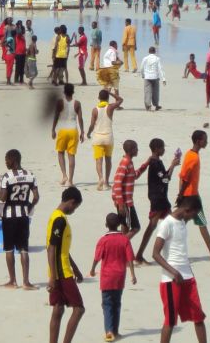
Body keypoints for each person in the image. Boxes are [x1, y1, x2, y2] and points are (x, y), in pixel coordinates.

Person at [152, 195, 208, 343]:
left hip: (188, 277)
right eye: (193, 215)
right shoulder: (166, 224)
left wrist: (188, 271)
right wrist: (174, 272)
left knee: (199, 317)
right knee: (170, 320)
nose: (193, 218)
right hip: (171, 280)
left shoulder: (182, 222)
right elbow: (155, 254)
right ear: (187, 210)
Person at [0, 149, 39, 290]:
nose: (6, 162)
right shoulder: (31, 176)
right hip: (24, 216)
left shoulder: (7, 177)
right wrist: (29, 207)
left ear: (14, 160)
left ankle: (13, 281)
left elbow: (2, 197)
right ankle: (26, 282)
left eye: (7, 160)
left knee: (9, 249)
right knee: (24, 249)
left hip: (9, 216)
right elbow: (36, 197)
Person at [89, 213, 137, 342]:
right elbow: (130, 258)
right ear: (119, 225)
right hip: (120, 276)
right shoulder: (124, 239)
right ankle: (115, 330)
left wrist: (92, 269)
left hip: (106, 277)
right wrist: (133, 274)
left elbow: (97, 257)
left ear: (106, 225)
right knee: (117, 303)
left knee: (107, 304)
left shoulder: (103, 240)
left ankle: (109, 331)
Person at [47, 187, 85, 343]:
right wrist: (53, 278)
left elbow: (63, 249)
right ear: (71, 202)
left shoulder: (54, 216)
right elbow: (51, 249)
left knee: (58, 308)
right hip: (61, 272)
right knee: (79, 309)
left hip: (59, 270)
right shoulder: (60, 220)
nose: (74, 210)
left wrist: (76, 270)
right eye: (75, 207)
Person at [136, 138, 180, 264]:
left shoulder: (156, 162)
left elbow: (164, 177)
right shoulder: (155, 163)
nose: (164, 150)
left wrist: (172, 166)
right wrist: (172, 166)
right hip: (158, 198)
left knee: (170, 224)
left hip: (161, 198)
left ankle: (169, 253)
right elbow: (165, 179)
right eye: (162, 148)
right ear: (156, 149)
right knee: (153, 226)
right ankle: (140, 255)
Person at [178, 130, 210, 261]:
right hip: (192, 198)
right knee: (201, 223)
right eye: (204, 139)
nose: (206, 142)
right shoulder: (193, 157)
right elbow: (185, 178)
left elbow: (182, 177)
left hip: (189, 195)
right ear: (198, 141)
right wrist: (181, 195)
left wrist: (181, 194)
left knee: (180, 224)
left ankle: (175, 252)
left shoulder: (190, 154)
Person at [88, 89, 123, 191]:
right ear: (107, 98)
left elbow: (91, 125)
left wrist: (88, 133)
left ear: (98, 98)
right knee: (108, 160)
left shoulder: (95, 109)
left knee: (99, 160)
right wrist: (111, 93)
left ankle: (100, 178)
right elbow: (120, 100)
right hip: (108, 137)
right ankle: (107, 182)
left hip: (98, 137)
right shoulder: (110, 107)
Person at [52, 84, 84, 187]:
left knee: (60, 153)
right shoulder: (77, 103)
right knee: (71, 155)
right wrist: (82, 131)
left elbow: (56, 116)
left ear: (64, 92)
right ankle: (70, 180)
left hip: (62, 130)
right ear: (73, 92)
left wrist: (53, 129)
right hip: (73, 130)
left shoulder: (60, 102)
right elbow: (80, 119)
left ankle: (64, 175)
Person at [112, 140, 144, 240]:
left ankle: (122, 250)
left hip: (125, 201)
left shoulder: (129, 162)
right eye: (136, 148)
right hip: (125, 202)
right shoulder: (125, 163)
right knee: (135, 227)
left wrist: (145, 165)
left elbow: (134, 175)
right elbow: (117, 183)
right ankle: (121, 246)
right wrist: (121, 204)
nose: (137, 150)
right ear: (131, 150)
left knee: (125, 226)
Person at [139, 46, 166, 111]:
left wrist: (143, 75)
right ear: (154, 51)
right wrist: (164, 79)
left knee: (147, 92)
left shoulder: (145, 58)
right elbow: (160, 69)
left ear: (149, 51)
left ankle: (148, 106)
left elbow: (141, 68)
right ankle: (156, 105)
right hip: (155, 77)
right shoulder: (157, 59)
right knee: (156, 92)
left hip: (147, 77)